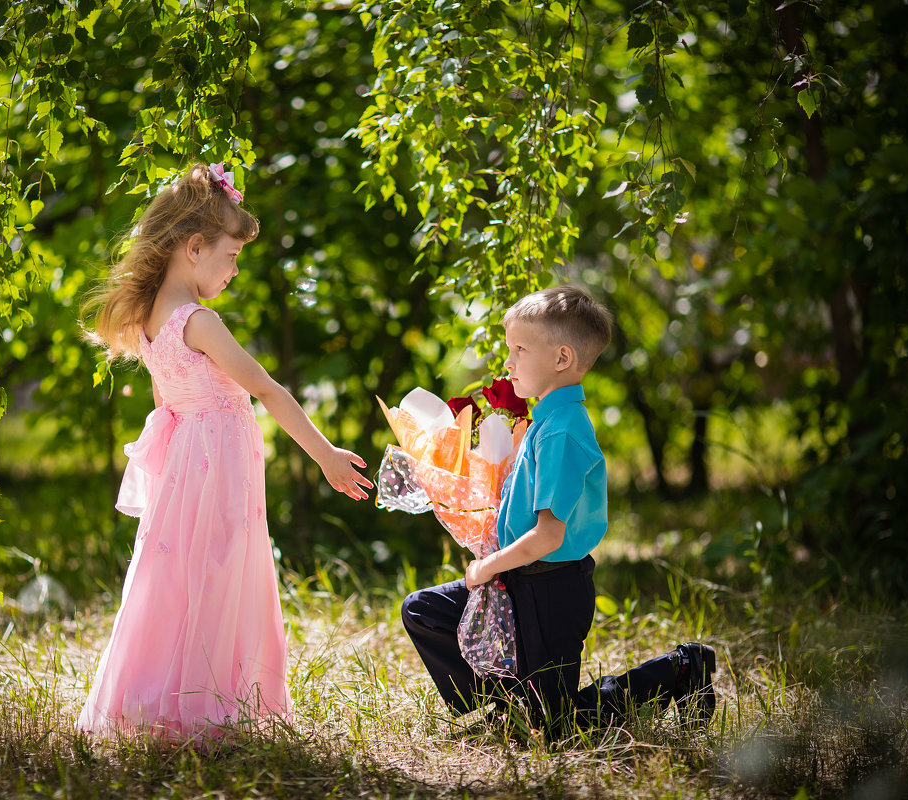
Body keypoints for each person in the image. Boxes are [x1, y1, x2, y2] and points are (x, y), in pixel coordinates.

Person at [76, 162, 374, 741]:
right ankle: (206, 705)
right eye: (231, 255)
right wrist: (325, 455)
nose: (235, 269)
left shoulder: (149, 321)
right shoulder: (198, 321)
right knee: (217, 577)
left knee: (178, 579)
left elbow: (166, 406)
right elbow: (266, 388)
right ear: (194, 247)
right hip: (216, 468)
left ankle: (167, 697)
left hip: (190, 467)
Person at [400, 285, 716, 735]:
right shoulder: (542, 419)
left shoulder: (561, 431)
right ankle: (511, 701)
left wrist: (487, 566)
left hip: (551, 589)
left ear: (562, 358)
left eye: (519, 349)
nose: (508, 362)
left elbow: (549, 536)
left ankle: (683, 668)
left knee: (559, 724)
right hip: (518, 578)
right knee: (425, 611)